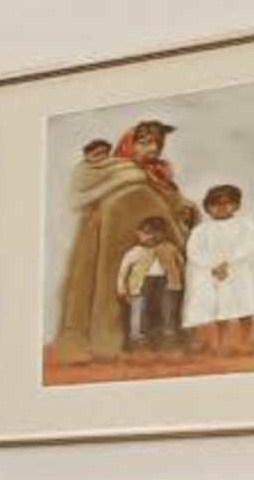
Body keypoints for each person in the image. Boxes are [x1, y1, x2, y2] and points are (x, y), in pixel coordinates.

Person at [53, 118, 196, 360]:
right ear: (130, 144)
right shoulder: (116, 170)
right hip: (120, 251)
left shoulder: (158, 173)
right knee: (126, 299)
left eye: (157, 144)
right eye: (144, 143)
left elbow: (170, 203)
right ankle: (110, 342)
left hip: (158, 259)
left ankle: (158, 342)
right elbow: (110, 205)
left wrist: (184, 209)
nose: (152, 149)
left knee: (160, 303)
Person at [185, 182, 254, 354]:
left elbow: (248, 246)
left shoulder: (244, 225)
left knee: (244, 307)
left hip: (238, 273)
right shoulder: (201, 230)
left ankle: (246, 341)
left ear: (236, 205)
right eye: (215, 204)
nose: (221, 208)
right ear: (207, 207)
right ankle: (221, 344)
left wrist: (228, 263)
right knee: (220, 311)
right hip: (213, 275)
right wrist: (212, 266)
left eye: (226, 203)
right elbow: (194, 252)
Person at [116, 220, 179, 353]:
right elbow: (123, 271)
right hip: (140, 284)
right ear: (138, 234)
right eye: (147, 233)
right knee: (139, 308)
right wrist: (121, 288)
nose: (152, 236)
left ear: (163, 234)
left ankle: (168, 335)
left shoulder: (169, 248)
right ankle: (138, 338)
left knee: (167, 308)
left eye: (156, 233)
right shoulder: (134, 252)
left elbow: (181, 264)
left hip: (165, 283)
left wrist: (179, 281)